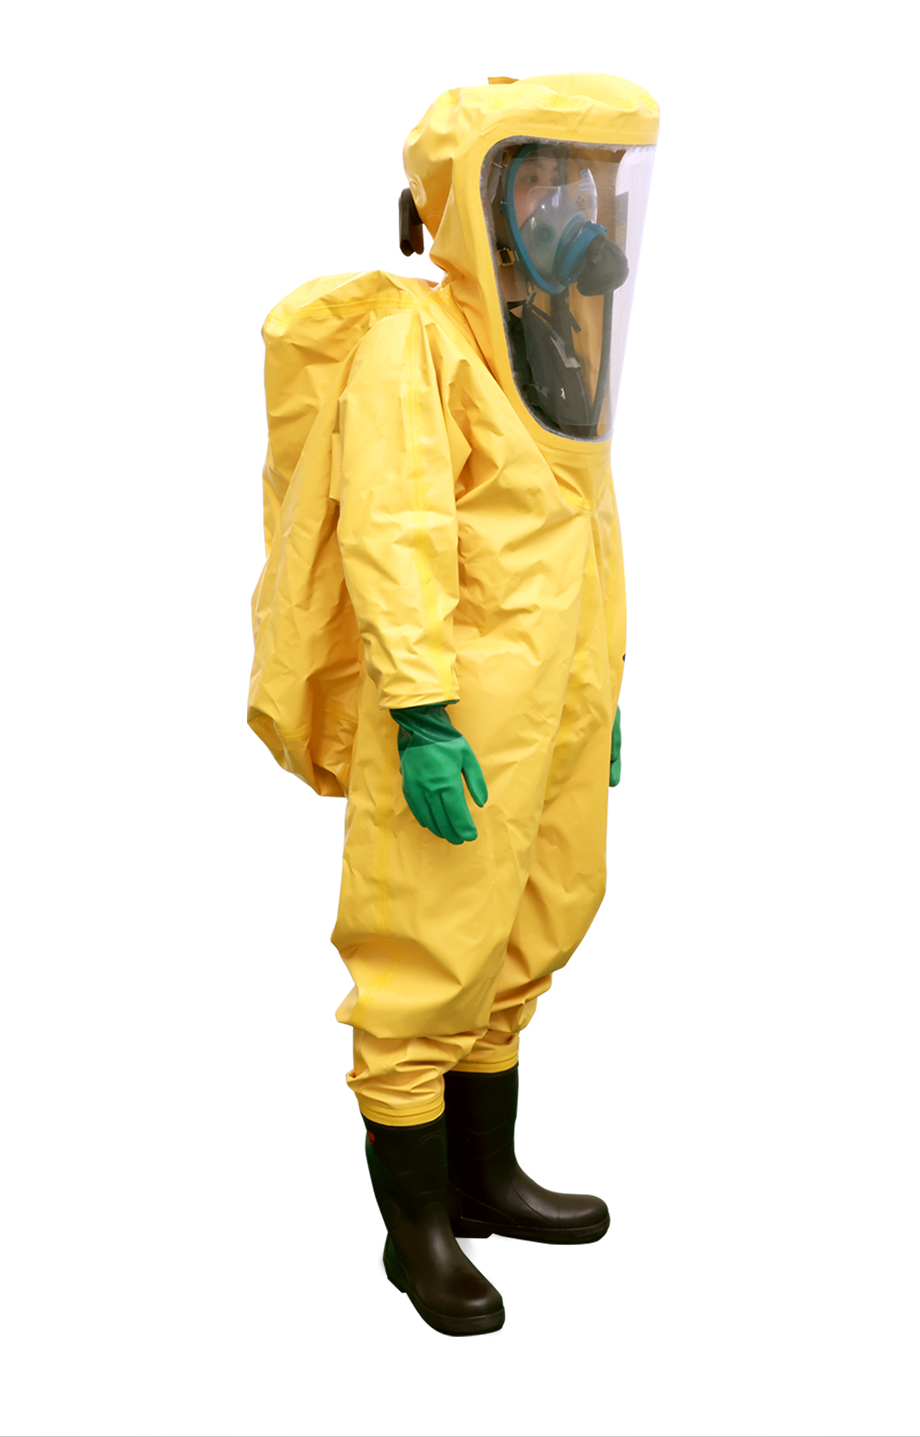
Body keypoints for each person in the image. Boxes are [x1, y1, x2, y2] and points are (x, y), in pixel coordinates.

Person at [249, 73, 658, 1336]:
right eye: (542, 183)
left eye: (585, 181)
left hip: (556, 701)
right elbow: (395, 534)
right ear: (472, 202)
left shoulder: (558, 341)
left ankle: (487, 1181)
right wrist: (421, 715)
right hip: (458, 713)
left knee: (532, 926)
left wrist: (603, 685)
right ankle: (415, 1234)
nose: (572, 208)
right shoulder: (413, 344)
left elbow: (585, 528)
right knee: (425, 955)